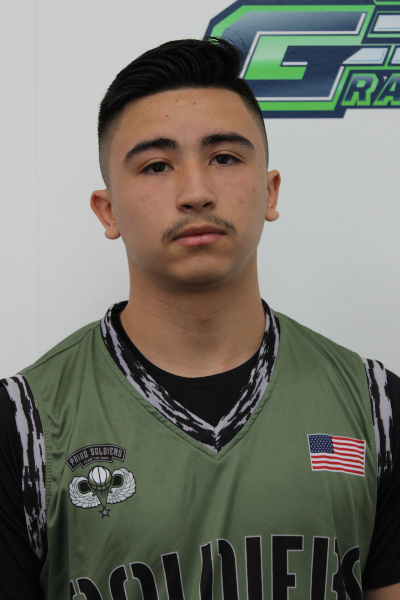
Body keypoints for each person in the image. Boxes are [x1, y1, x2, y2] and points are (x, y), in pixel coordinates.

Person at [0, 37, 399, 600]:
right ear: (108, 210)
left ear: (270, 191)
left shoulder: (376, 405)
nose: (196, 192)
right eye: (157, 165)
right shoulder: (24, 425)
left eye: (225, 158)